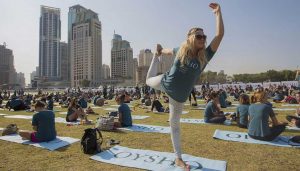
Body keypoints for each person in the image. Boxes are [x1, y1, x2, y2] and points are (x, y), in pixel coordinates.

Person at [145, 3, 224, 169]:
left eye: (204, 36)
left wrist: (218, 13)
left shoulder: (205, 56)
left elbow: (219, 35)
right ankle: (153, 56)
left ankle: (178, 158)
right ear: (190, 38)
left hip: (179, 97)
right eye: (199, 36)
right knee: (147, 80)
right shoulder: (181, 49)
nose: (203, 39)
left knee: (174, 125)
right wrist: (159, 51)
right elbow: (168, 51)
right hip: (165, 82)